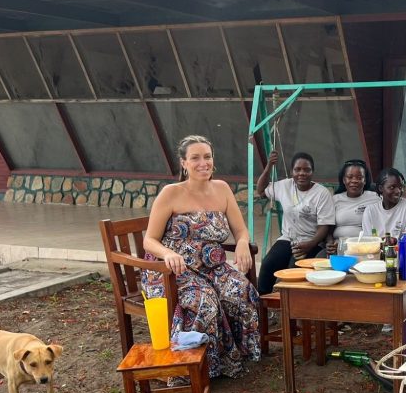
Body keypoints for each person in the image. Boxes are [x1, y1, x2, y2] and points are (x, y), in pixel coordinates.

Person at [142, 135, 260, 379]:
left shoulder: (223, 189)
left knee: (242, 291)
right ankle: (197, 367)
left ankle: (237, 356)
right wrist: (168, 253)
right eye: (195, 158)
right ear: (184, 163)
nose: (203, 163)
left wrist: (242, 244)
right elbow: (149, 240)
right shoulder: (170, 193)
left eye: (207, 157)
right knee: (204, 301)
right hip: (174, 269)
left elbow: (240, 230)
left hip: (213, 267)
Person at [256, 150, 335, 295]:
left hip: (312, 241)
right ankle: (263, 302)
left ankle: (290, 304)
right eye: (297, 169)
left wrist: (310, 244)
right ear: (292, 171)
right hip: (288, 239)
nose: (302, 173)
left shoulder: (321, 193)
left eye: (306, 170)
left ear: (312, 172)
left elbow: (325, 226)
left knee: (294, 269)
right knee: (268, 264)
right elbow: (260, 190)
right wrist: (269, 166)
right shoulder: (285, 186)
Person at [325, 159, 380, 254]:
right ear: (344, 180)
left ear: (365, 180)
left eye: (359, 177)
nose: (354, 181)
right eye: (350, 177)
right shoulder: (335, 199)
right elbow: (328, 230)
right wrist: (330, 243)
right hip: (339, 247)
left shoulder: (375, 198)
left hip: (365, 248)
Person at [361, 167, 406, 239]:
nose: (398, 191)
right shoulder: (370, 210)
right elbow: (368, 240)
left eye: (400, 187)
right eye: (392, 187)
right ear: (381, 188)